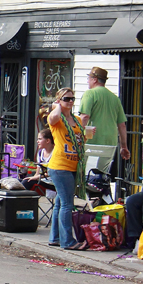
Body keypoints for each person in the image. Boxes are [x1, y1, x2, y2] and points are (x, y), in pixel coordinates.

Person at [47, 87, 85, 250]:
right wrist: (57, 106)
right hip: (60, 166)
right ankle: (68, 241)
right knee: (68, 204)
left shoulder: (76, 120)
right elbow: (53, 118)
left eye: (72, 99)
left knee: (61, 203)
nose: (70, 102)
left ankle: (55, 238)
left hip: (73, 164)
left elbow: (81, 135)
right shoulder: (57, 118)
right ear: (59, 100)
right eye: (66, 99)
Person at [79, 67, 130, 170]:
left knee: (82, 172)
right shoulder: (115, 98)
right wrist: (123, 146)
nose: (88, 81)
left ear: (95, 79)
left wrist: (77, 134)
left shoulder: (90, 93)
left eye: (89, 78)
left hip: (91, 140)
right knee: (101, 174)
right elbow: (122, 125)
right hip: (110, 143)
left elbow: (84, 116)